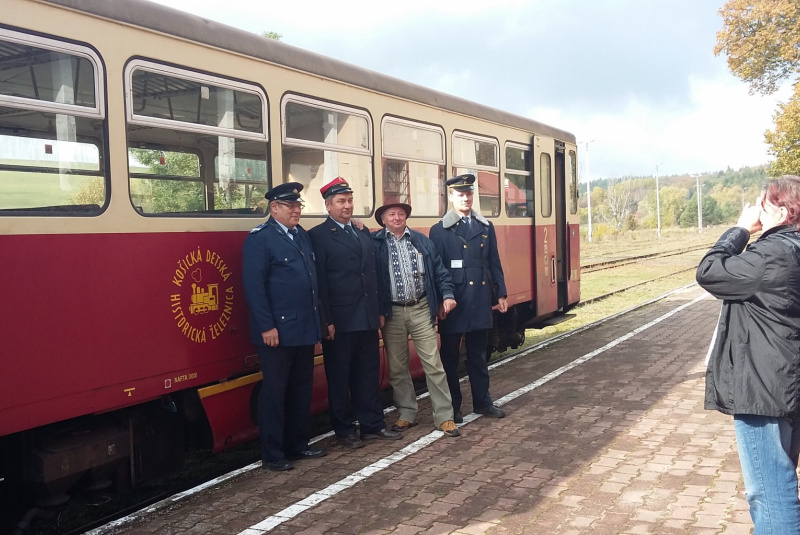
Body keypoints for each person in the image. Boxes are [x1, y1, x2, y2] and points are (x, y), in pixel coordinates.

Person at [697, 176, 800, 534]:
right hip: (787, 381)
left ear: (783, 211)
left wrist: (740, 229)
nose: (757, 208)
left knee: (770, 490)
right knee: (781, 473)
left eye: (763, 203)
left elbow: (709, 271)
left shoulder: (770, 254)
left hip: (763, 385)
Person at [309, 178, 401, 449]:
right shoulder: (318, 236)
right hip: (340, 319)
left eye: (349, 200)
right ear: (328, 205)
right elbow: (320, 283)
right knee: (340, 377)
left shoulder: (362, 231)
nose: (347, 206)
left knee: (368, 373)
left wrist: (380, 310)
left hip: (367, 315)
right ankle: (345, 430)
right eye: (341, 201)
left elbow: (374, 275)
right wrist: (327, 321)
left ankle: (372, 425)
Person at [242, 182, 326, 471]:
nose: (296, 210)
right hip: (277, 331)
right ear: (274, 208)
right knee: (275, 393)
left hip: (303, 327)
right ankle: (273, 454)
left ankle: (298, 444)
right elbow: (255, 288)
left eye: (299, 205)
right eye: (291, 206)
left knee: (301, 389)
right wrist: (267, 327)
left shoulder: (301, 236)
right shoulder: (259, 239)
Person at [372, 202, 461, 437]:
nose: (397, 217)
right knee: (397, 367)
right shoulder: (375, 243)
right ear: (383, 220)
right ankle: (406, 413)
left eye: (401, 214)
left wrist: (448, 295)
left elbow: (440, 272)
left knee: (433, 363)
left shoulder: (421, 241)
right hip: (392, 312)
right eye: (391, 214)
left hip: (421, 307)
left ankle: (445, 416)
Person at [429, 174, 508, 423]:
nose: (466, 198)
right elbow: (436, 270)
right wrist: (441, 301)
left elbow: (493, 261)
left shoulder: (485, 227)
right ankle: (453, 406)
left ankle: (483, 402)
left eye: (469, 194)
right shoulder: (439, 230)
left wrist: (502, 292)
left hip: (480, 298)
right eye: (461, 194)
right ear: (451, 196)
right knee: (450, 357)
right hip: (455, 302)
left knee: (478, 354)